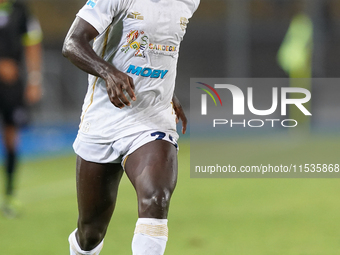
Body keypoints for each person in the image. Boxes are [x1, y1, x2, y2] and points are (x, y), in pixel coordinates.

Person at [62, 0, 199, 254]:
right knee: (90, 232)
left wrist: (168, 93)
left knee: (156, 197)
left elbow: (161, 49)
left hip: (153, 117)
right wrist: (108, 72)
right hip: (105, 117)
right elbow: (72, 43)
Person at [0, 0, 43, 218]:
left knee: (11, 137)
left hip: (11, 86)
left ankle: (9, 195)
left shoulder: (20, 9)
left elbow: (32, 42)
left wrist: (34, 79)